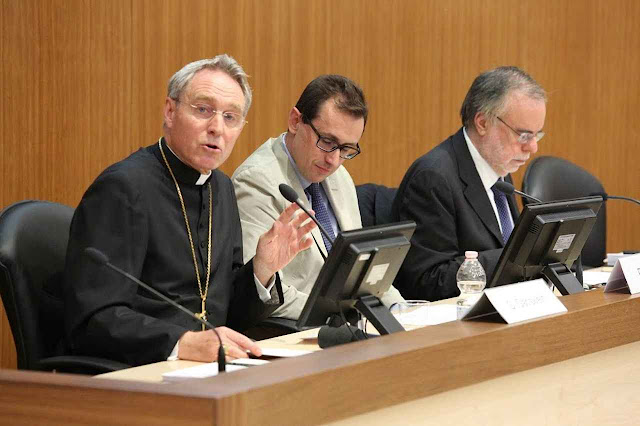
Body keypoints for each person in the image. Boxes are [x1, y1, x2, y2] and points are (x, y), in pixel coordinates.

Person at [63, 54, 316, 367]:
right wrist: (181, 343)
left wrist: (262, 269)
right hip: (141, 369)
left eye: (230, 117)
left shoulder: (221, 188)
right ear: (170, 111)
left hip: (208, 369)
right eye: (203, 110)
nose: (216, 128)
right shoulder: (123, 188)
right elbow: (94, 318)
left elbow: (226, 312)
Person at [232, 75, 404, 320]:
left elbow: (359, 273)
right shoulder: (256, 182)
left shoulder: (338, 177)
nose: (334, 160)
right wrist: (348, 312)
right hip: (295, 335)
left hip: (342, 327)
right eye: (327, 141)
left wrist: (402, 309)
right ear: (295, 121)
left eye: (346, 149)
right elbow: (262, 292)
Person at [392, 66, 547, 301]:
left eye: (537, 135)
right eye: (524, 135)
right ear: (483, 123)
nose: (532, 147)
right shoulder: (434, 178)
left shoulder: (499, 168)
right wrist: (519, 254)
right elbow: (427, 281)